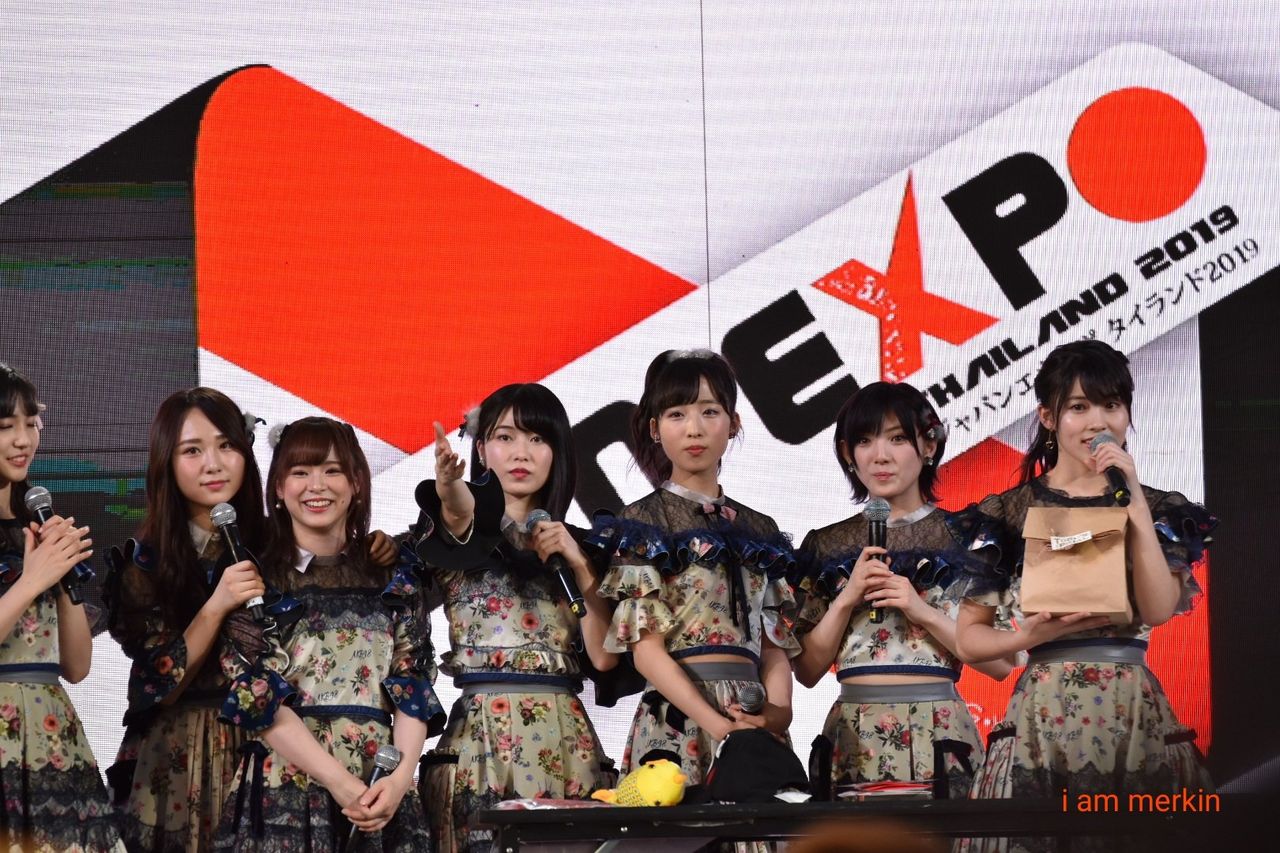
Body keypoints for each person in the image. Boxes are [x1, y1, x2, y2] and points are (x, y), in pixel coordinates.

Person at [105, 389, 400, 853]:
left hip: (278, 747)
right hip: (181, 750)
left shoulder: (276, 543)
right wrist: (217, 605)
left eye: (226, 446)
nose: (213, 464)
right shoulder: (146, 563)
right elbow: (158, 684)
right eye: (192, 451)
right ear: (166, 461)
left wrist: (371, 548)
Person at [954, 341, 1215, 850]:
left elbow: (1159, 608)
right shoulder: (1007, 512)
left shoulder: (1160, 507)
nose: (1098, 421)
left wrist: (1133, 500)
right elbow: (969, 640)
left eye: (1111, 405)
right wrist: (1028, 635)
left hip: (1130, 709)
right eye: (1079, 407)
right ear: (1048, 417)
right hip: (1043, 714)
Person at [214, 417, 443, 852]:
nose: (316, 486)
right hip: (286, 781)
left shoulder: (394, 576)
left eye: (332, 470)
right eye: (300, 472)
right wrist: (339, 782)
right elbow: (258, 695)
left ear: (356, 483)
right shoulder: (252, 578)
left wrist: (398, 782)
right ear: (278, 488)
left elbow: (412, 683)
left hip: (380, 785)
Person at [414, 384, 620, 853]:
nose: (520, 453)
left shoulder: (583, 547)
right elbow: (457, 515)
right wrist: (448, 487)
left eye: (537, 438)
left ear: (558, 452)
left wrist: (579, 563)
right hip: (479, 743)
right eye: (505, 437)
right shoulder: (454, 534)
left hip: (566, 744)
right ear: (480, 449)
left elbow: (605, 659)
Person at [591, 349, 800, 795]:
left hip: (752, 721)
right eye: (676, 414)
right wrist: (719, 728)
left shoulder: (760, 528)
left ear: (734, 423)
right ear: (654, 429)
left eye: (709, 411)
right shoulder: (642, 522)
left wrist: (775, 716)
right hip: (676, 720)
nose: (694, 428)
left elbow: (774, 647)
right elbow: (646, 652)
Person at [792, 382, 1012, 799]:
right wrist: (847, 599)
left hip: (939, 731)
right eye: (864, 441)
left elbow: (1000, 664)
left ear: (929, 445)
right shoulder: (826, 545)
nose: (880, 455)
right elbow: (805, 671)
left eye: (896, 438)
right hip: (853, 734)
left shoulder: (968, 537)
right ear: (847, 453)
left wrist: (922, 610)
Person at [0, 362, 124, 850]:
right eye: (5, 426)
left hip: (50, 738)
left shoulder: (36, 528)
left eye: (31, 423)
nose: (23, 440)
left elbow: (75, 666)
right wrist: (33, 579)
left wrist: (62, 570)